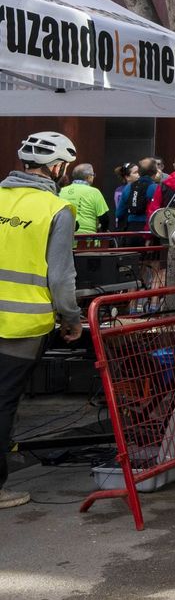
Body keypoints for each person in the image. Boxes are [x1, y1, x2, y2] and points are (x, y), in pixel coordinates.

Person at [1, 132, 85, 508]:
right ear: (57, 167)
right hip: (21, 326)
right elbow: (60, 277)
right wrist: (72, 318)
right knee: (3, 403)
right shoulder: (56, 209)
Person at [60, 163, 110, 235]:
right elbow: (104, 218)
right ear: (88, 177)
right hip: (86, 239)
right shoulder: (94, 192)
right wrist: (104, 231)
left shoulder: (61, 191)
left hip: (64, 236)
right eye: (93, 175)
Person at [115, 157, 159, 234]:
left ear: (140, 172)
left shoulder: (128, 188)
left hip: (131, 228)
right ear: (154, 173)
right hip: (148, 228)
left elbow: (119, 213)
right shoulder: (155, 187)